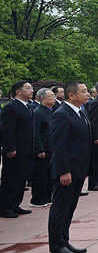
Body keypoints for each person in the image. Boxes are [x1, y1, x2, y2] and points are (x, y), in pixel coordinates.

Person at [48, 81, 93, 253]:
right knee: (60, 209)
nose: (87, 94)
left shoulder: (81, 111)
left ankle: (64, 241)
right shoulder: (61, 115)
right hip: (67, 170)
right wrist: (63, 171)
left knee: (69, 209)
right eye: (83, 91)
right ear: (71, 95)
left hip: (79, 169)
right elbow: (59, 146)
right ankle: (56, 247)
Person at [1, 80, 36, 218]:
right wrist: (10, 148)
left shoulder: (28, 106)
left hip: (26, 149)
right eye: (28, 88)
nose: (31, 90)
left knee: (21, 179)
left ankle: (15, 204)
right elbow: (7, 130)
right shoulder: (12, 107)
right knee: (11, 179)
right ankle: (5, 206)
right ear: (18, 91)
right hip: (15, 151)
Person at [30, 88, 57, 207]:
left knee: (49, 175)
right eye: (51, 96)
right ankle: (37, 198)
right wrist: (40, 149)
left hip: (52, 148)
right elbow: (36, 133)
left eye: (54, 96)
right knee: (40, 175)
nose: (54, 98)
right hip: (43, 149)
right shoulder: (38, 112)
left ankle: (47, 196)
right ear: (43, 98)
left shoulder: (52, 111)